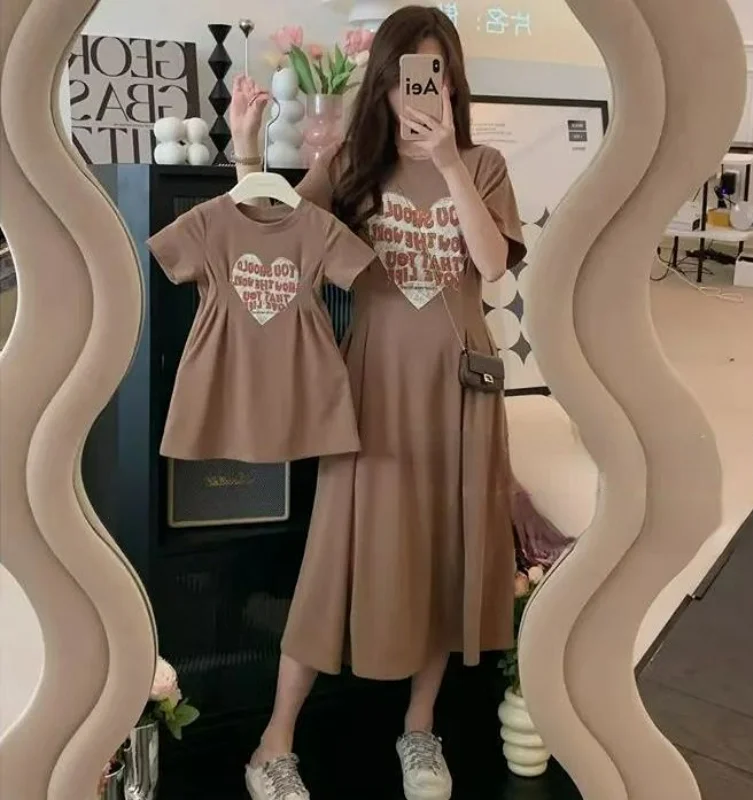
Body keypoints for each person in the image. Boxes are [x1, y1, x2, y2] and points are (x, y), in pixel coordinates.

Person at [229, 7, 525, 800]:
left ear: (453, 84)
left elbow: (492, 266)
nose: (418, 93)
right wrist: (249, 151)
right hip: (371, 389)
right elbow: (273, 243)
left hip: (461, 393)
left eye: (434, 75)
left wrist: (450, 165)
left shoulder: (485, 164)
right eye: (402, 77)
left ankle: (419, 730)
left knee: (442, 554)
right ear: (383, 83)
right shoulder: (352, 163)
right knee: (334, 557)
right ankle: (273, 743)